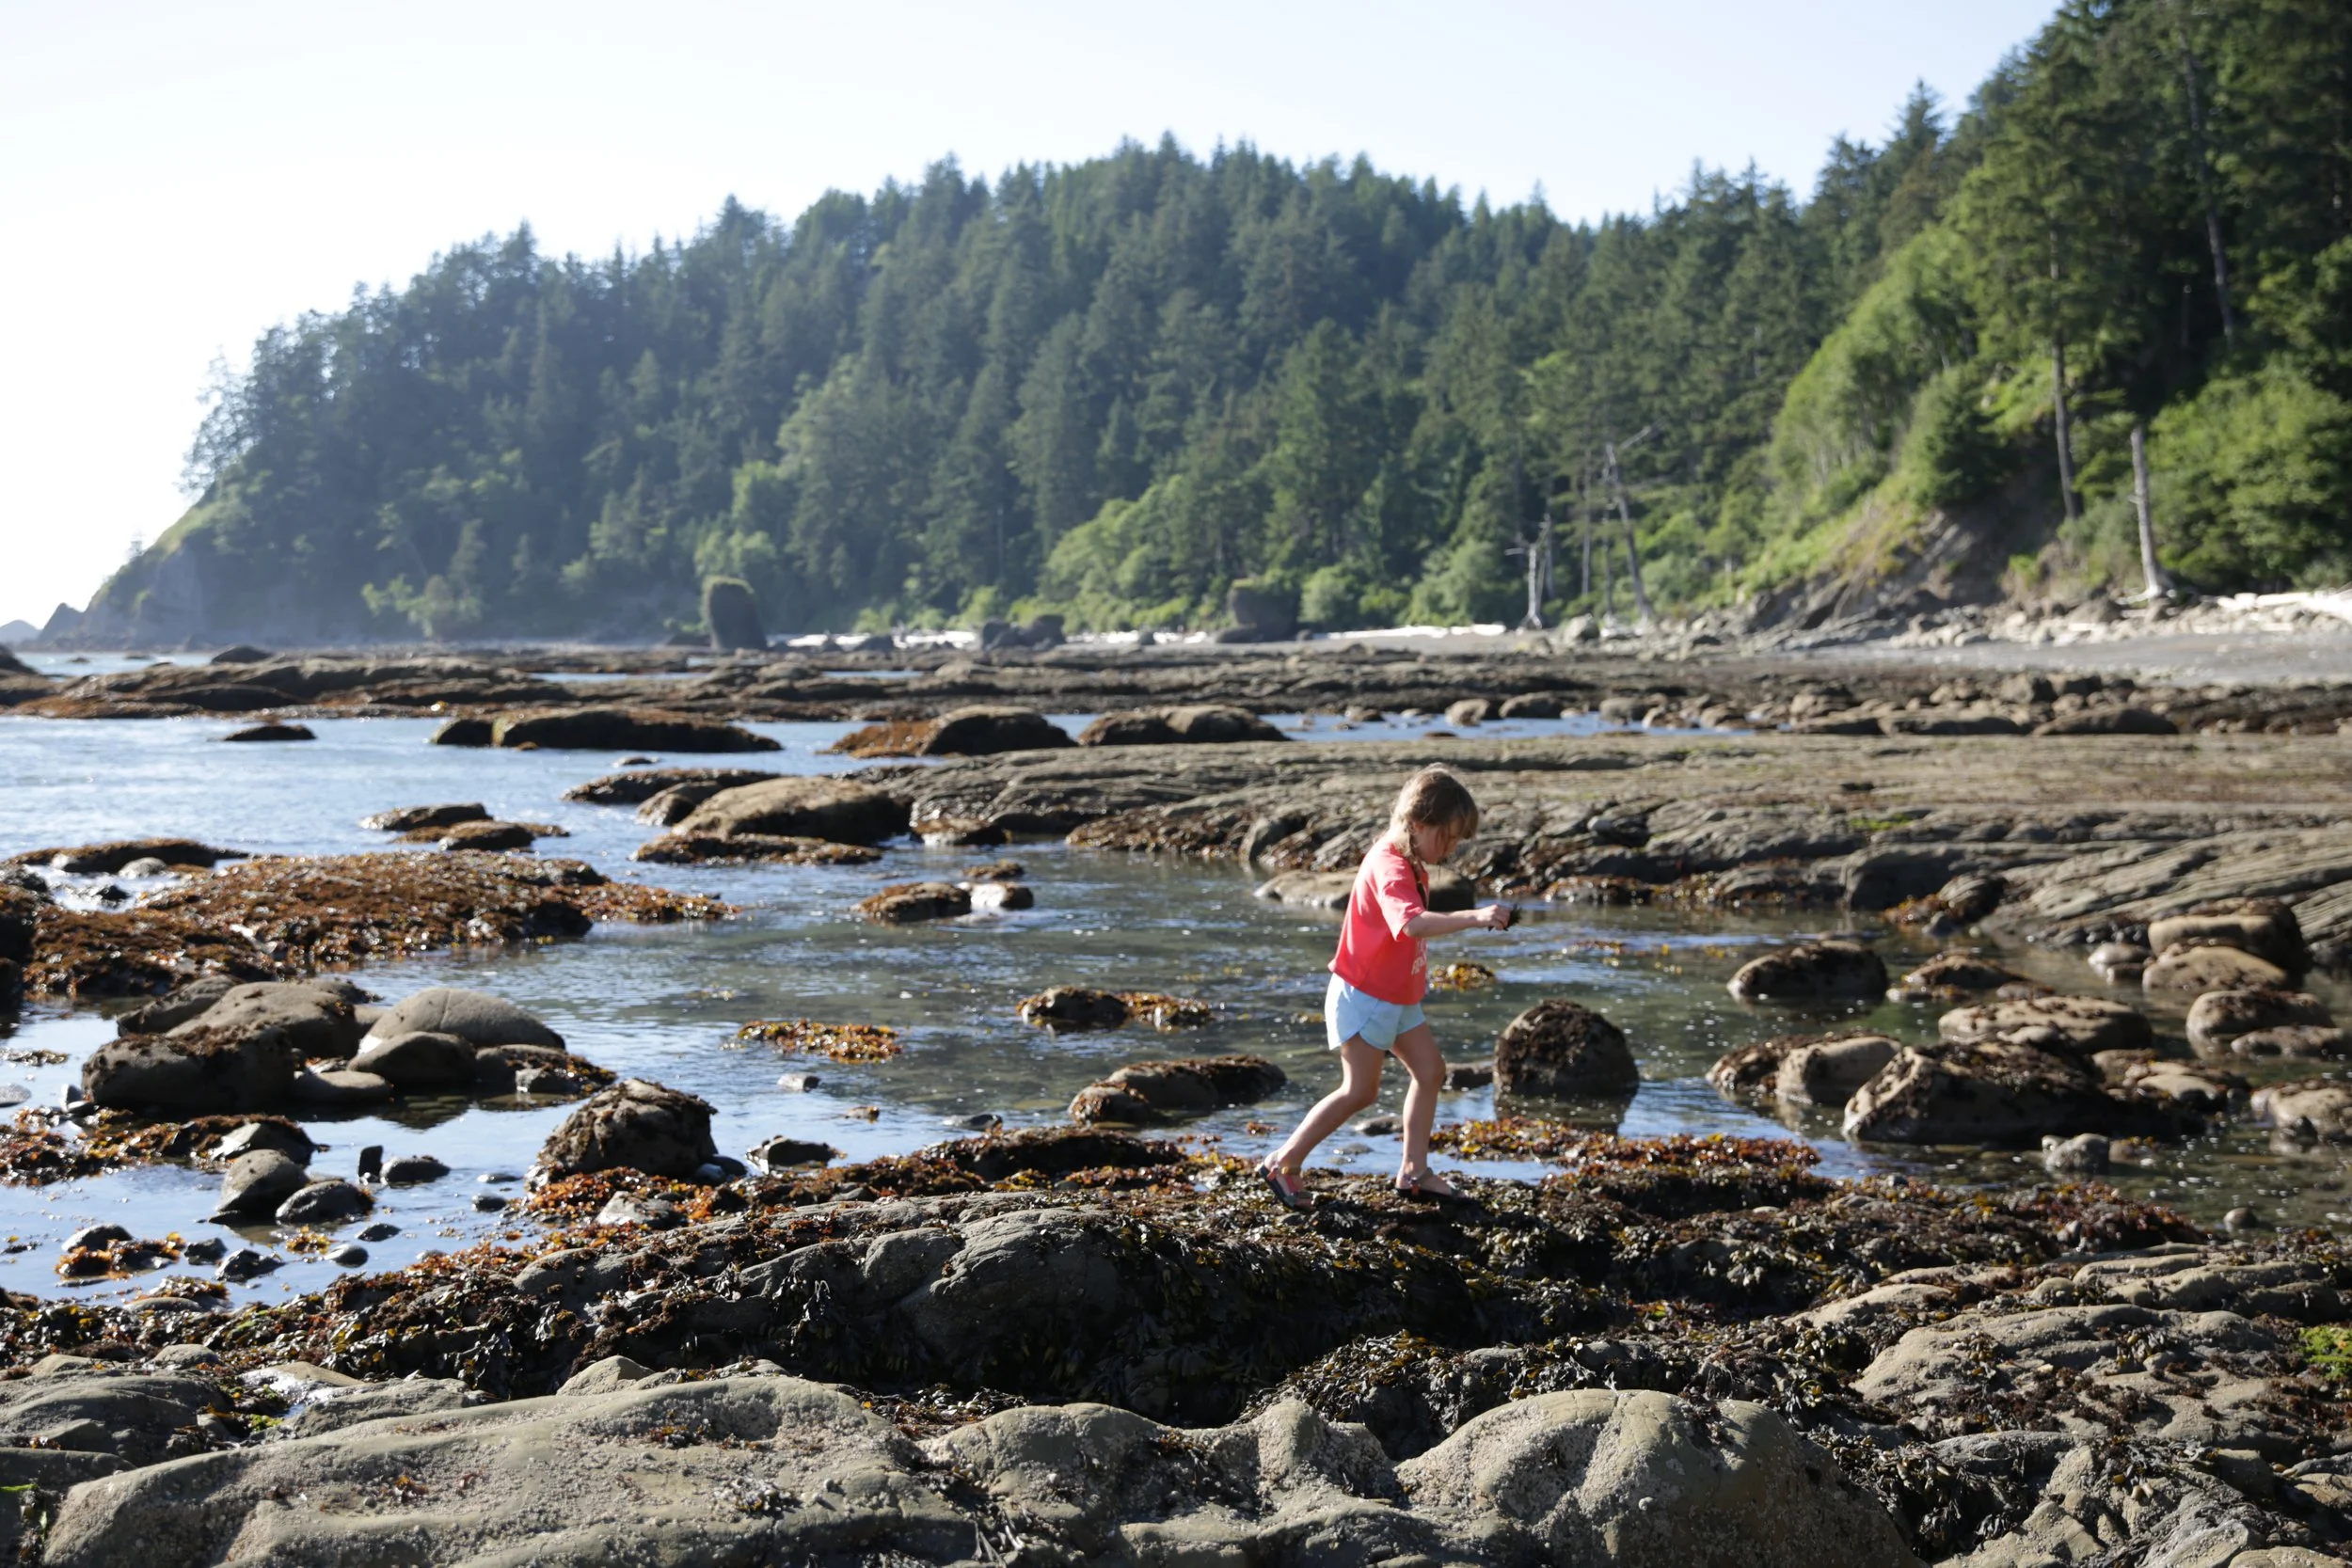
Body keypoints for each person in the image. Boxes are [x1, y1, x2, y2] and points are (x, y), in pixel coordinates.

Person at [1259, 765, 1513, 1208]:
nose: (1451, 848)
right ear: (1417, 823)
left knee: (1431, 1072)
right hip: (1365, 995)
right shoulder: (1390, 864)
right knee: (1360, 1091)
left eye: (1457, 840)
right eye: (1447, 837)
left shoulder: (1412, 861)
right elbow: (1410, 924)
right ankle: (1282, 1163)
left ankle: (1414, 1172)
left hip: (1396, 995)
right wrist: (1474, 916)